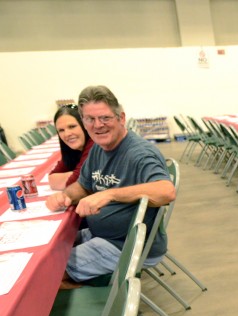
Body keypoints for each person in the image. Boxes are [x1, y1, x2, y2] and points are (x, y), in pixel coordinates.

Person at [46, 85, 176, 287]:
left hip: (126, 245)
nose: (98, 125)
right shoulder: (99, 148)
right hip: (102, 235)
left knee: (48, 274)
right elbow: (83, 185)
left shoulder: (139, 154)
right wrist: (66, 196)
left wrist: (111, 194)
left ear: (121, 118)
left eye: (105, 118)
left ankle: (111, 306)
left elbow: (166, 191)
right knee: (49, 250)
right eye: (90, 119)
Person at [48, 104, 94, 190]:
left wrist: (75, 175)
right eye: (61, 130)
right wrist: (76, 174)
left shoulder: (94, 144)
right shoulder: (73, 150)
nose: (67, 134)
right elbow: (52, 180)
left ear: (85, 125)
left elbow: (77, 181)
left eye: (72, 127)